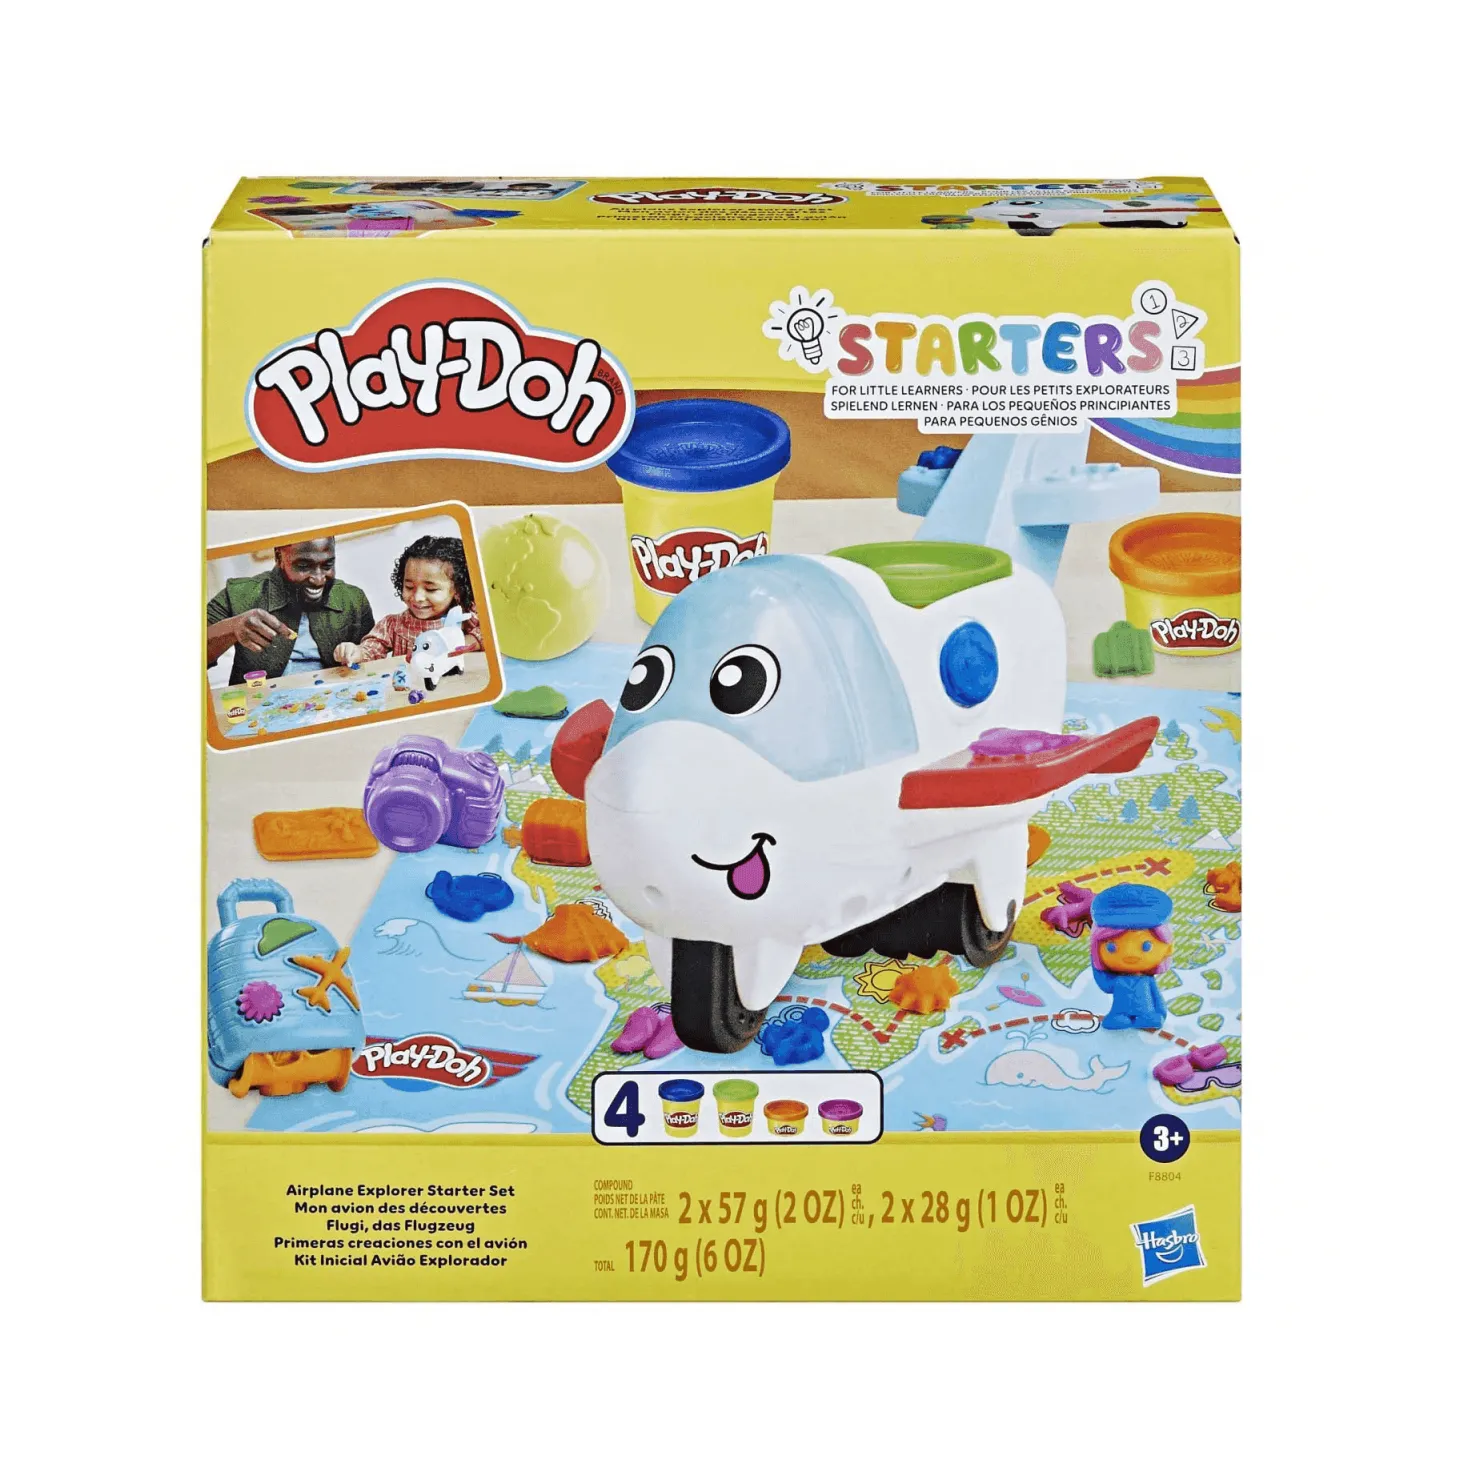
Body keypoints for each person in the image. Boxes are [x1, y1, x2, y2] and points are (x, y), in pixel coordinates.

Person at [207, 537, 375, 684]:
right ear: (279, 557)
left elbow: (372, 664)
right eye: (303, 566)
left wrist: (358, 653)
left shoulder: (353, 599)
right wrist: (232, 628)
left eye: (327, 565)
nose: (318, 579)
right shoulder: (237, 595)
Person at [333, 535, 481, 666]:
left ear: (458, 590)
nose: (417, 597)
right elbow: (371, 650)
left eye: (430, 589)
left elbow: (488, 633)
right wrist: (356, 652)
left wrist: (469, 641)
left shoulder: (468, 618)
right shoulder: (392, 625)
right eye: (409, 587)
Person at [1088, 883, 1174, 1031]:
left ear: (1168, 947)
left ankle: (1146, 1016)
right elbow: (1105, 985)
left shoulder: (1147, 980)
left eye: (1146, 946)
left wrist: (1160, 1012)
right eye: (1111, 947)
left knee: (1148, 1016)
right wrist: (1095, 963)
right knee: (1118, 1018)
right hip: (1119, 1013)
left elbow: (1156, 996)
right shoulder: (1117, 981)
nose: (1130, 953)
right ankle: (1119, 1015)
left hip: (1147, 1013)